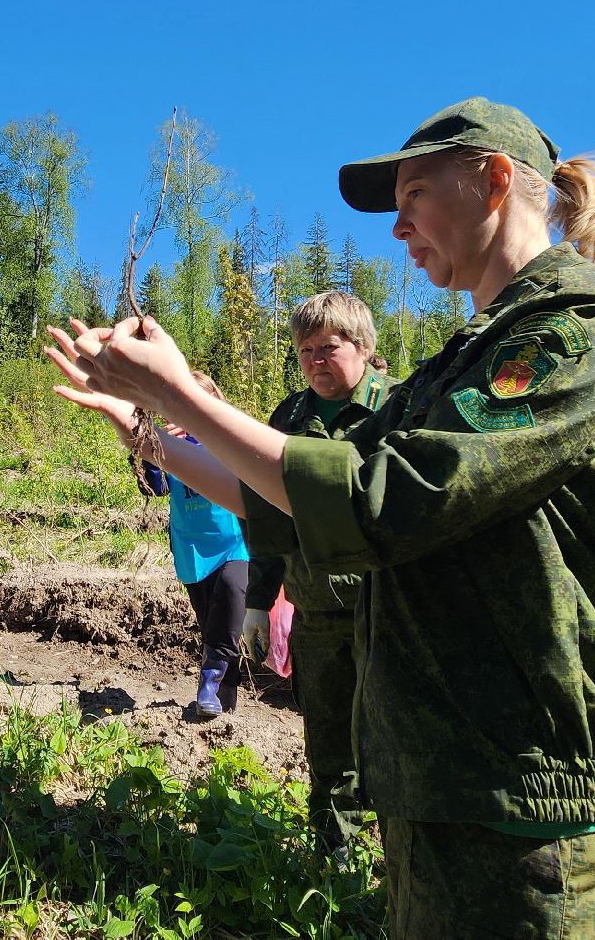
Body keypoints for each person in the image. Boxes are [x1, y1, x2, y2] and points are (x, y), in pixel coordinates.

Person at [47, 97, 595, 938]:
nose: (398, 228)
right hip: (453, 783)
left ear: (495, 180)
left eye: (415, 197)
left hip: (545, 810)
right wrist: (155, 435)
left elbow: (381, 498)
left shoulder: (587, 331)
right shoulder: (468, 360)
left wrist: (177, 392)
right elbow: (296, 501)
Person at [241, 290, 393, 855]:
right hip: (318, 610)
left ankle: (402, 856)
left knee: (396, 737)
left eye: (328, 347)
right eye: (305, 351)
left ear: (362, 346)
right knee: (328, 741)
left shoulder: (396, 408)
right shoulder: (291, 417)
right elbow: (268, 512)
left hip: (388, 609)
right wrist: (259, 600)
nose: (314, 362)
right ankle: (336, 859)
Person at [140, 370, 251, 719]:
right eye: (181, 406)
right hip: (192, 548)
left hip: (234, 543)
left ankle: (208, 684)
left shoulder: (227, 438)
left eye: (195, 405)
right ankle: (222, 707)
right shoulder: (168, 446)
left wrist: (200, 439)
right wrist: (149, 446)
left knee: (232, 601)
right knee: (214, 627)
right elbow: (155, 488)